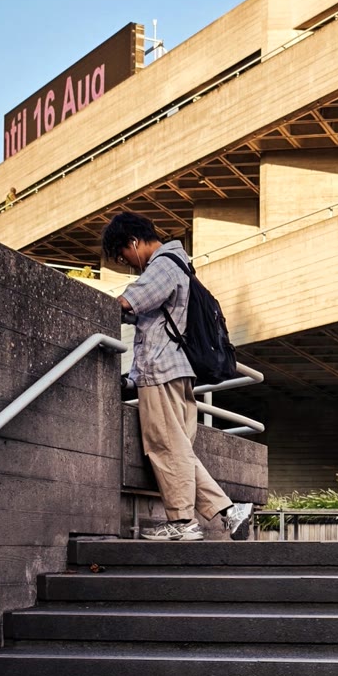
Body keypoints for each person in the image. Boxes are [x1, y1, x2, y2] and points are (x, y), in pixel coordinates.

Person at [101, 212, 254, 543]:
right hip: (178, 371)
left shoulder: (163, 265)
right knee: (179, 449)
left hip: (162, 370)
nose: (129, 265)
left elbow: (130, 300)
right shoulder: (179, 264)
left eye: (124, 256)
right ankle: (230, 511)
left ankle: (183, 522)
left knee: (165, 447)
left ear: (133, 242)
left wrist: (102, 306)